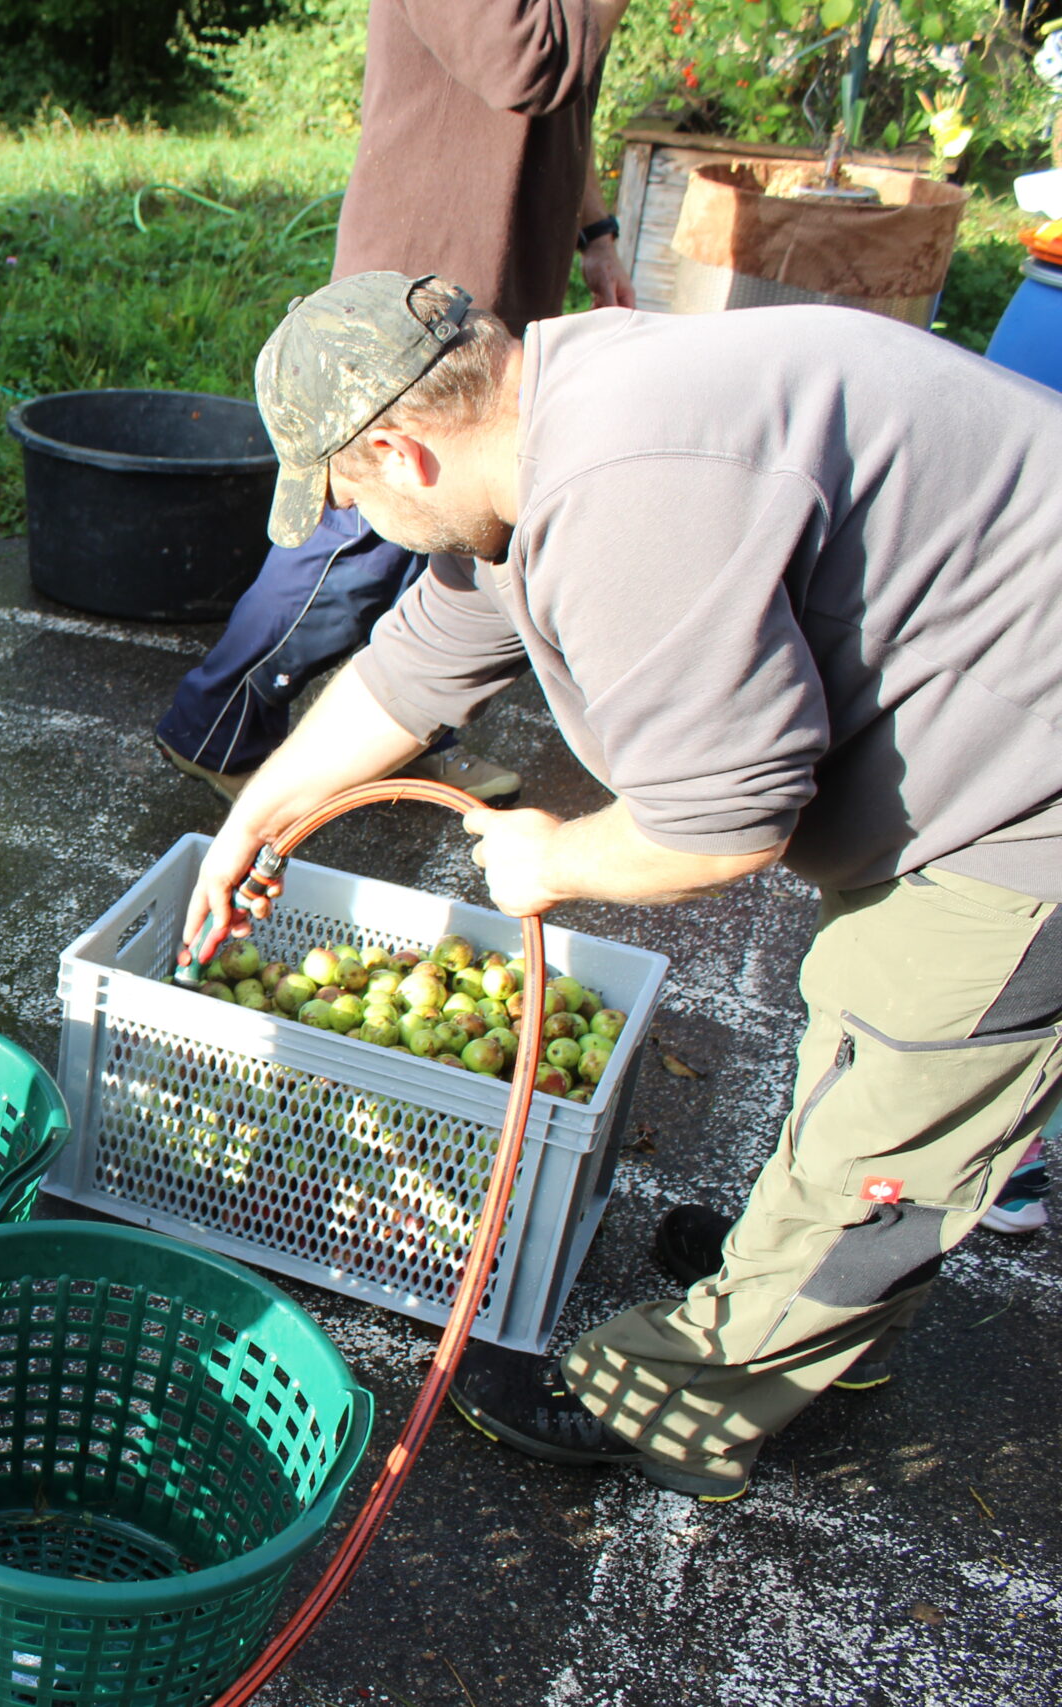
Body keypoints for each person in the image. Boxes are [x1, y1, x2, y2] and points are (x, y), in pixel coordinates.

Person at [188, 271, 1062, 1501]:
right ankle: (796, 1279)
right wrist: (261, 819)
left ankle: (691, 1387)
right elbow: (424, 657)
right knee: (864, 1011)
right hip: (991, 701)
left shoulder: (627, 502)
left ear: (400, 448)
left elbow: (723, 824)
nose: (354, 519)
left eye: (346, 492)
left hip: (1031, 793)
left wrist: (555, 859)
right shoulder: (549, 407)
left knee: (908, 1098)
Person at [155, 0, 637, 801]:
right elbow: (526, 61)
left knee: (464, 535)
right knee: (357, 535)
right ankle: (216, 728)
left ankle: (402, 731)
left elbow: (559, 102)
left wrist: (596, 230)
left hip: (497, 276)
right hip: (415, 298)